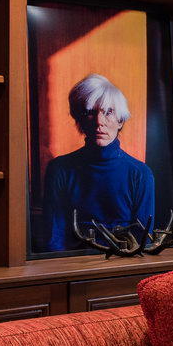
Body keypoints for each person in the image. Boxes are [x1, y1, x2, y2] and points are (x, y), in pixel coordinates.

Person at [40, 73, 155, 252]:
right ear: (79, 119)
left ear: (121, 120)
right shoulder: (60, 169)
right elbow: (54, 239)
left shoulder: (140, 173)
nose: (99, 122)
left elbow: (143, 240)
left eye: (108, 112)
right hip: (72, 268)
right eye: (90, 112)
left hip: (123, 267)